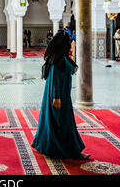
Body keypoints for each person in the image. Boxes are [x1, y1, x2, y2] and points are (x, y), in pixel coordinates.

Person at [32, 30, 89, 160]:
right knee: (64, 123)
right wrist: (57, 97)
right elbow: (56, 81)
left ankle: (40, 142)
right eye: (68, 43)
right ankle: (73, 151)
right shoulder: (59, 61)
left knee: (50, 120)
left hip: (56, 96)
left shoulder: (57, 59)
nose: (69, 45)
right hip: (59, 97)